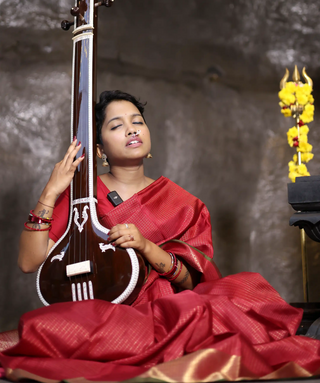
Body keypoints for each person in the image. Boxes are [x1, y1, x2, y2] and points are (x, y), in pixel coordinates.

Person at [1, 90, 320, 383]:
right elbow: (30, 262)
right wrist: (51, 190)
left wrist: (147, 247)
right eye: (116, 125)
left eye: (137, 121)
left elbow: (195, 283)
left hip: (170, 316)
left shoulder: (185, 205)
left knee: (230, 300)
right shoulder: (82, 197)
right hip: (105, 318)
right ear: (99, 149)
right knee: (42, 328)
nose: (132, 129)